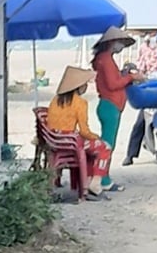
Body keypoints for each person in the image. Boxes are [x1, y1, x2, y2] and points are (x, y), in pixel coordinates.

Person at [91, 26, 144, 192]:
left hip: (108, 105)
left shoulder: (103, 58)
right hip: (110, 105)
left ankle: (101, 177)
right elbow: (113, 84)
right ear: (113, 42)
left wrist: (123, 75)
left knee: (107, 145)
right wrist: (130, 77)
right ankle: (102, 179)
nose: (121, 46)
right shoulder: (106, 59)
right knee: (107, 146)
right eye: (120, 42)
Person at [47, 66, 111, 201]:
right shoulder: (80, 103)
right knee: (104, 147)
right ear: (79, 86)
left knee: (88, 147)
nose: (86, 87)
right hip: (70, 142)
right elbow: (84, 131)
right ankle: (95, 183)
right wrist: (97, 137)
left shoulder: (55, 100)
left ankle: (86, 181)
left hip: (54, 140)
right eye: (85, 84)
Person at [122, 29, 157, 166]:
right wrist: (139, 77)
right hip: (151, 94)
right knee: (140, 123)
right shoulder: (149, 56)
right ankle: (130, 155)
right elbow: (140, 72)